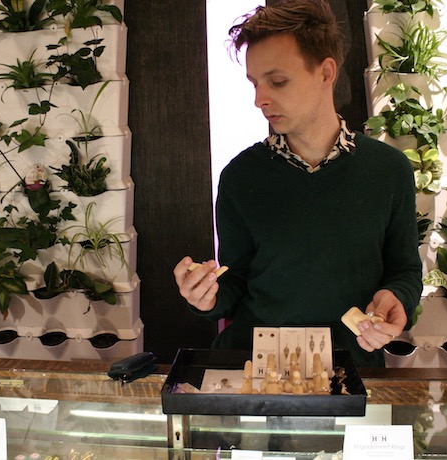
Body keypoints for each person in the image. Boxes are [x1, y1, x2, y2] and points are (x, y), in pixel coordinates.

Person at [173, 0, 422, 367]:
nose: (260, 99)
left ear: (325, 73)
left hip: (348, 368)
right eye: (255, 84)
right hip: (257, 368)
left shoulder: (388, 169)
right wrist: (206, 297)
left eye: (278, 81)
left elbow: (405, 271)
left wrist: (395, 297)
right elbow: (235, 281)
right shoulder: (241, 176)